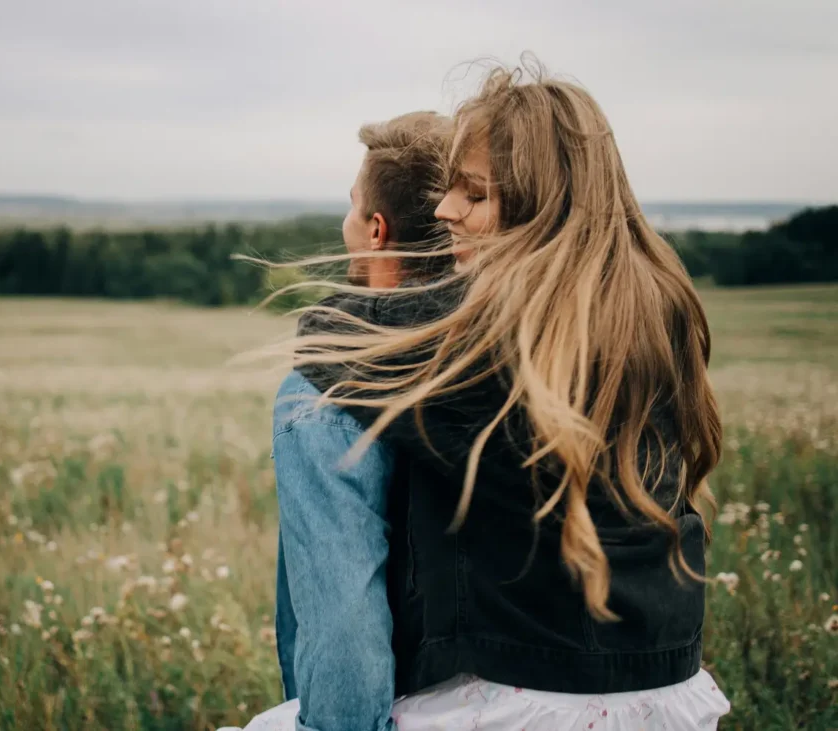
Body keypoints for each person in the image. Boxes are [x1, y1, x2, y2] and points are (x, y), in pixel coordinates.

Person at [231, 62, 732, 730]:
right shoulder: (653, 307)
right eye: (446, 192)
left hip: (532, 699)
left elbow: (334, 334)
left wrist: (343, 321)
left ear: (538, 205)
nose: (446, 212)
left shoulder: (479, 344)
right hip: (668, 690)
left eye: (473, 195)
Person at [272, 110, 454, 727]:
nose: (342, 223)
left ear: (376, 230)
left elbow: (342, 621)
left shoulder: (323, 390)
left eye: (352, 208)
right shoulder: (519, 359)